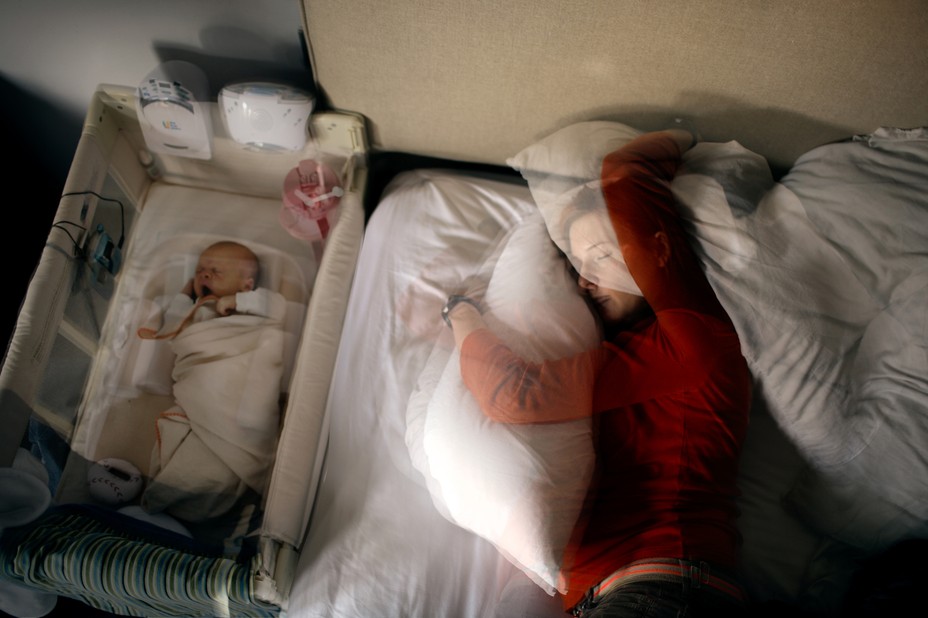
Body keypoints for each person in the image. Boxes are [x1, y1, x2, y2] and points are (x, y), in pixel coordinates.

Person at [443, 130, 752, 617]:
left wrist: (460, 313)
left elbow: (625, 172)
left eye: (604, 254)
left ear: (656, 253)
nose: (586, 281)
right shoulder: (624, 356)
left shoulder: (690, 337)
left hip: (664, 590)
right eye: (579, 262)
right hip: (633, 594)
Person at [137, 240, 287, 522]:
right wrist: (184, 296)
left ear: (246, 284)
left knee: (219, 447)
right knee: (183, 433)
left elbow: (279, 307)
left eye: (215, 271)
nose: (204, 275)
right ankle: (173, 494)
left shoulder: (253, 306)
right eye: (200, 270)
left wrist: (239, 302)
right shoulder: (197, 311)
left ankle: (178, 498)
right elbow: (173, 327)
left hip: (233, 385)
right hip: (199, 387)